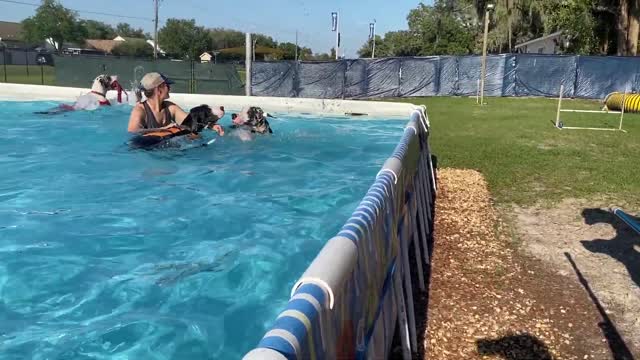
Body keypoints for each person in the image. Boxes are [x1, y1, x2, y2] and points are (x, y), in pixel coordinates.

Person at [127, 72, 224, 136]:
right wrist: (162, 129)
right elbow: (133, 132)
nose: (170, 88)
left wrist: (210, 126)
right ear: (158, 89)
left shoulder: (170, 107)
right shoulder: (140, 110)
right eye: (167, 86)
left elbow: (191, 121)